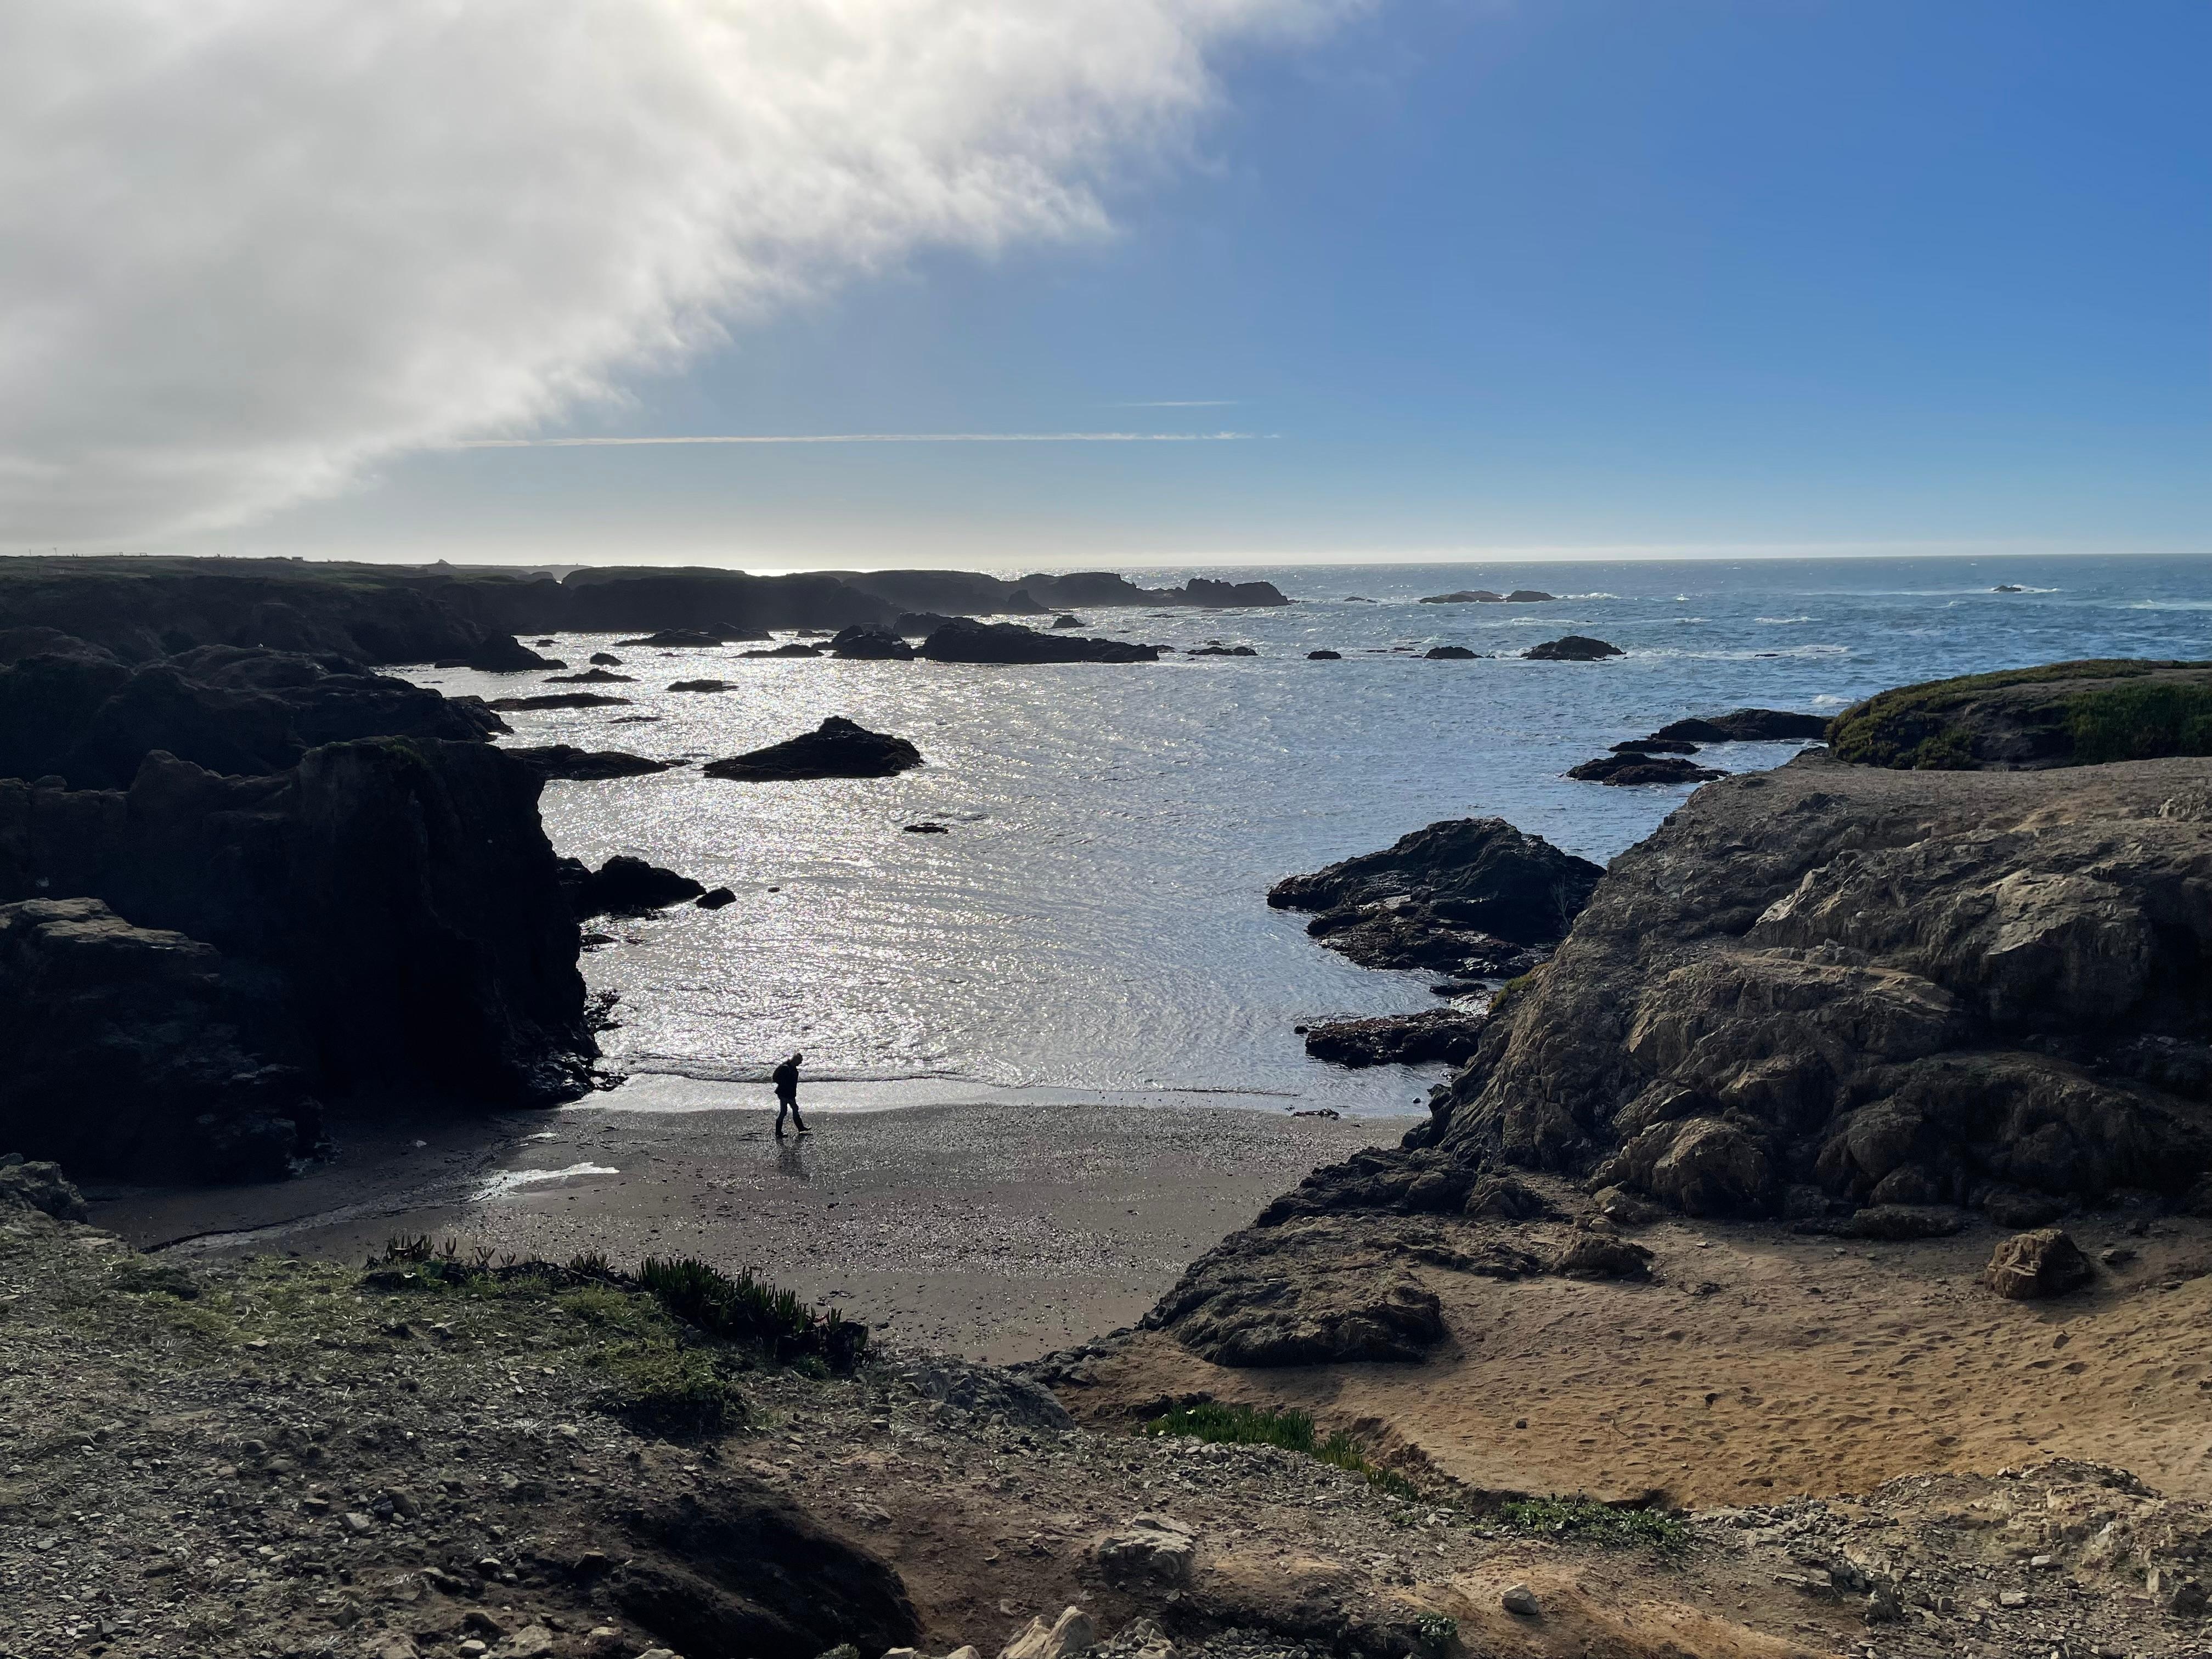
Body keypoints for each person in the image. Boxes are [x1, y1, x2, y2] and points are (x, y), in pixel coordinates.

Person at [772, 1051, 808, 1136]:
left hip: (789, 1094)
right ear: (795, 1060)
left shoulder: (791, 1067)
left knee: (795, 1108)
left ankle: (801, 1128)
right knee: (784, 1112)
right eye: (799, 1061)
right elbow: (781, 1081)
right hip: (785, 1094)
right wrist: (788, 1095)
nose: (800, 1063)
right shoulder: (786, 1068)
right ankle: (778, 1132)